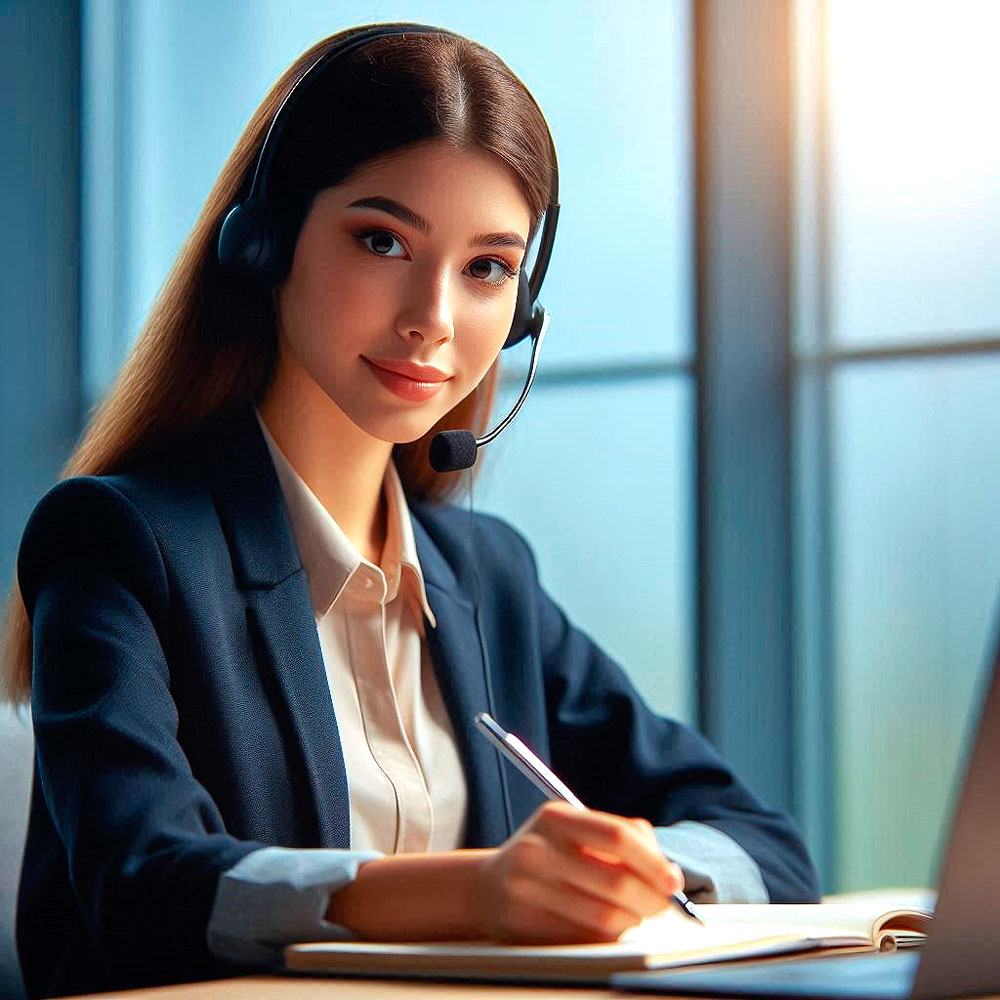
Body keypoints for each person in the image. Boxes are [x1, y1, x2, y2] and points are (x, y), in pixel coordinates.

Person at [2, 22, 819, 1000]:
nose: (433, 313)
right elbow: (142, 885)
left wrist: (620, 879)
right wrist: (477, 891)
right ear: (263, 244)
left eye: (486, 267)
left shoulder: (487, 577)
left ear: (522, 310)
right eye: (381, 239)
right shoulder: (119, 541)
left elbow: (763, 842)